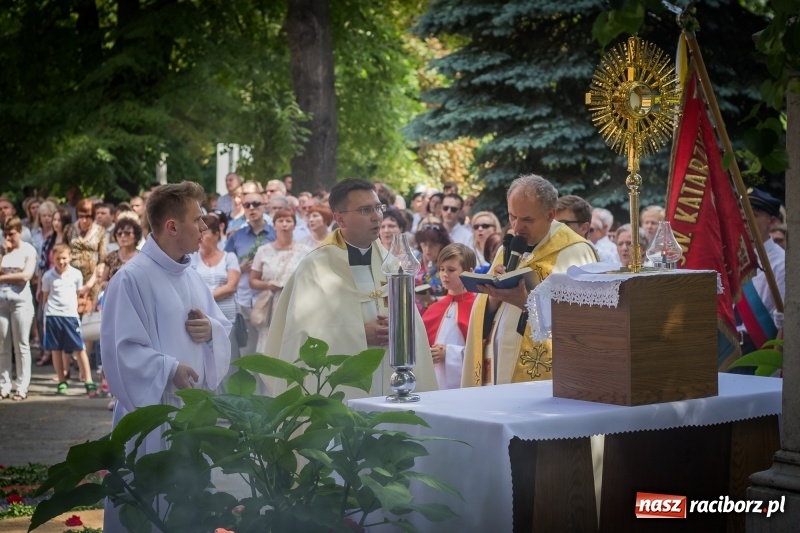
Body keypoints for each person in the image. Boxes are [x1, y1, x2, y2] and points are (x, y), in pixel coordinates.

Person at [100, 181, 232, 531]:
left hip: (190, 412)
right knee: (149, 510)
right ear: (172, 226)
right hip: (151, 413)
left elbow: (220, 324)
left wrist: (211, 331)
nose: (204, 228)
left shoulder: (190, 274)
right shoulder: (131, 278)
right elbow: (121, 351)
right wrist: (169, 368)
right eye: (197, 219)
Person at [262, 178, 437, 399]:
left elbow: (414, 325)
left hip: (390, 372)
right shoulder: (315, 266)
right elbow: (303, 333)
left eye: (378, 208)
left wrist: (398, 330)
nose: (376, 216)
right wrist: (360, 334)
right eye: (365, 210)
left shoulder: (392, 263)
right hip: (342, 388)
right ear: (339, 219)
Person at [462, 175, 598, 387]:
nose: (517, 227)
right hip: (495, 365)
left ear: (550, 215)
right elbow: (483, 310)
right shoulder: (508, 248)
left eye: (527, 219)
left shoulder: (574, 252)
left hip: (540, 376)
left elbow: (582, 321)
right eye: (512, 216)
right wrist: (494, 295)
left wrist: (527, 303)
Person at [249, 208, 309, 354]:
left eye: (288, 221)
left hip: (295, 305)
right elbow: (253, 281)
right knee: (269, 349)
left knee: (293, 349)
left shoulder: (305, 251)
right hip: (270, 307)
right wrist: (268, 284)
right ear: (274, 225)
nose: (284, 224)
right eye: (280, 221)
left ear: (294, 225)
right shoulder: (263, 251)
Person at [191, 215, 240, 379]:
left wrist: (205, 296)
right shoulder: (191, 259)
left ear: (216, 234)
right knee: (206, 364)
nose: (200, 237)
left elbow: (231, 286)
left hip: (228, 319)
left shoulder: (229, 257)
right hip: (202, 321)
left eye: (204, 233)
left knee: (230, 364)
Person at [422, 244, 477, 389]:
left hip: (466, 388)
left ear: (469, 272)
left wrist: (449, 353)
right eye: (441, 269)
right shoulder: (434, 309)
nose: (444, 274)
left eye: (451, 270)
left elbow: (482, 352)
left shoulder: (478, 308)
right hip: (434, 384)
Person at [0, 217, 38, 400]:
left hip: (21, 302)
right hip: (2, 302)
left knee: (21, 344)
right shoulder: (2, 249)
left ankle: (22, 385)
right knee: (2, 345)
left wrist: (2, 277)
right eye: (6, 234)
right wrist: (3, 252)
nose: (9, 238)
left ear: (20, 232)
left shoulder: (28, 250)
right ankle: (4, 384)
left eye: (12, 234)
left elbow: (26, 276)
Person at [41, 244, 86, 396]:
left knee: (79, 348)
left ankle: (88, 380)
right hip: (53, 315)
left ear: (70, 257)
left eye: (64, 258)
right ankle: (61, 380)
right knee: (56, 349)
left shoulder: (76, 274)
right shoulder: (47, 276)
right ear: (53, 259)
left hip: (70, 315)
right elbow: (45, 297)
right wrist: (46, 313)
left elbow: (78, 295)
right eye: (58, 258)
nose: (61, 262)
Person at [414, 220, 451, 314]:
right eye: (424, 244)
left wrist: (432, 299)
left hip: (438, 314)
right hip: (414, 314)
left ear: (442, 245)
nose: (427, 249)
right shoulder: (414, 259)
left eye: (433, 245)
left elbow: (455, 297)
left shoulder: (449, 265)